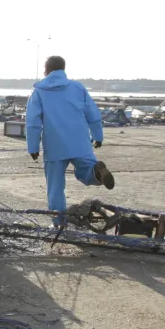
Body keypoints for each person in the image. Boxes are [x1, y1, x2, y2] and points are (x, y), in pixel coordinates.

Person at [26, 56, 115, 225]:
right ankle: (96, 173)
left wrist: (33, 147)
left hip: (54, 147)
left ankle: (59, 222)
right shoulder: (77, 87)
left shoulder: (39, 92)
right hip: (80, 142)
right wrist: (98, 136)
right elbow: (93, 113)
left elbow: (33, 122)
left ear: (46, 69)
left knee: (55, 188)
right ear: (63, 69)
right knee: (85, 171)